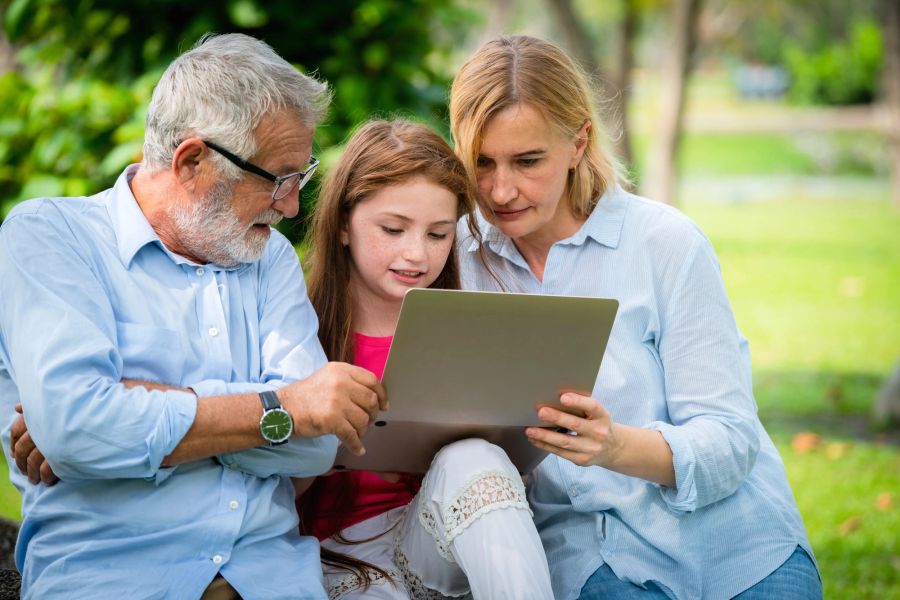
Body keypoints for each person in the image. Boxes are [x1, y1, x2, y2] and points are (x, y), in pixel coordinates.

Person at [0, 33, 386, 599]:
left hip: (270, 583)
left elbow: (316, 443)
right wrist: (282, 407)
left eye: (298, 179)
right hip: (113, 582)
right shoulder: (51, 238)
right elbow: (76, 430)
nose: (291, 206)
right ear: (192, 161)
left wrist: (139, 400)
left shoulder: (267, 257)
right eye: (278, 178)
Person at [449, 35, 822, 600]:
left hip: (735, 546)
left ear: (578, 143)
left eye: (528, 161)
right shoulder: (452, 257)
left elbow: (730, 440)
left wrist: (613, 446)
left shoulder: (665, 243)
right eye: (482, 162)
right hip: (589, 553)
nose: (501, 190)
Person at [295, 119, 553, 600]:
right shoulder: (297, 327)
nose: (416, 254)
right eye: (392, 229)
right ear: (344, 225)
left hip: (446, 539)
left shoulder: (468, 324)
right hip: (342, 556)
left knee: (472, 457)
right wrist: (323, 451)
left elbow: (496, 477)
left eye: (438, 235)